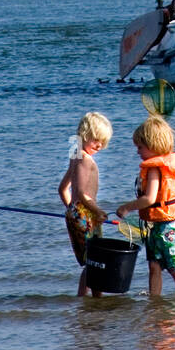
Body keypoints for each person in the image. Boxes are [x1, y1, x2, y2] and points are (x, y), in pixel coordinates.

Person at [116, 116, 175, 299]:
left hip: (172, 224)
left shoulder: (155, 169)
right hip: (156, 223)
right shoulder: (157, 165)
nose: (137, 152)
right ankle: (154, 301)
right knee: (154, 265)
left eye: (140, 147)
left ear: (153, 145)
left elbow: (149, 199)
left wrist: (127, 207)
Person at [58, 111, 112, 297]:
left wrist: (71, 211)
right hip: (86, 214)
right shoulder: (83, 159)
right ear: (84, 135)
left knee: (91, 262)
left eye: (102, 142)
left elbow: (62, 189)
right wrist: (96, 211)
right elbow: (81, 192)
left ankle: (92, 298)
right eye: (96, 140)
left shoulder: (76, 156)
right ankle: (88, 298)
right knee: (93, 262)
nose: (99, 145)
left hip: (79, 213)